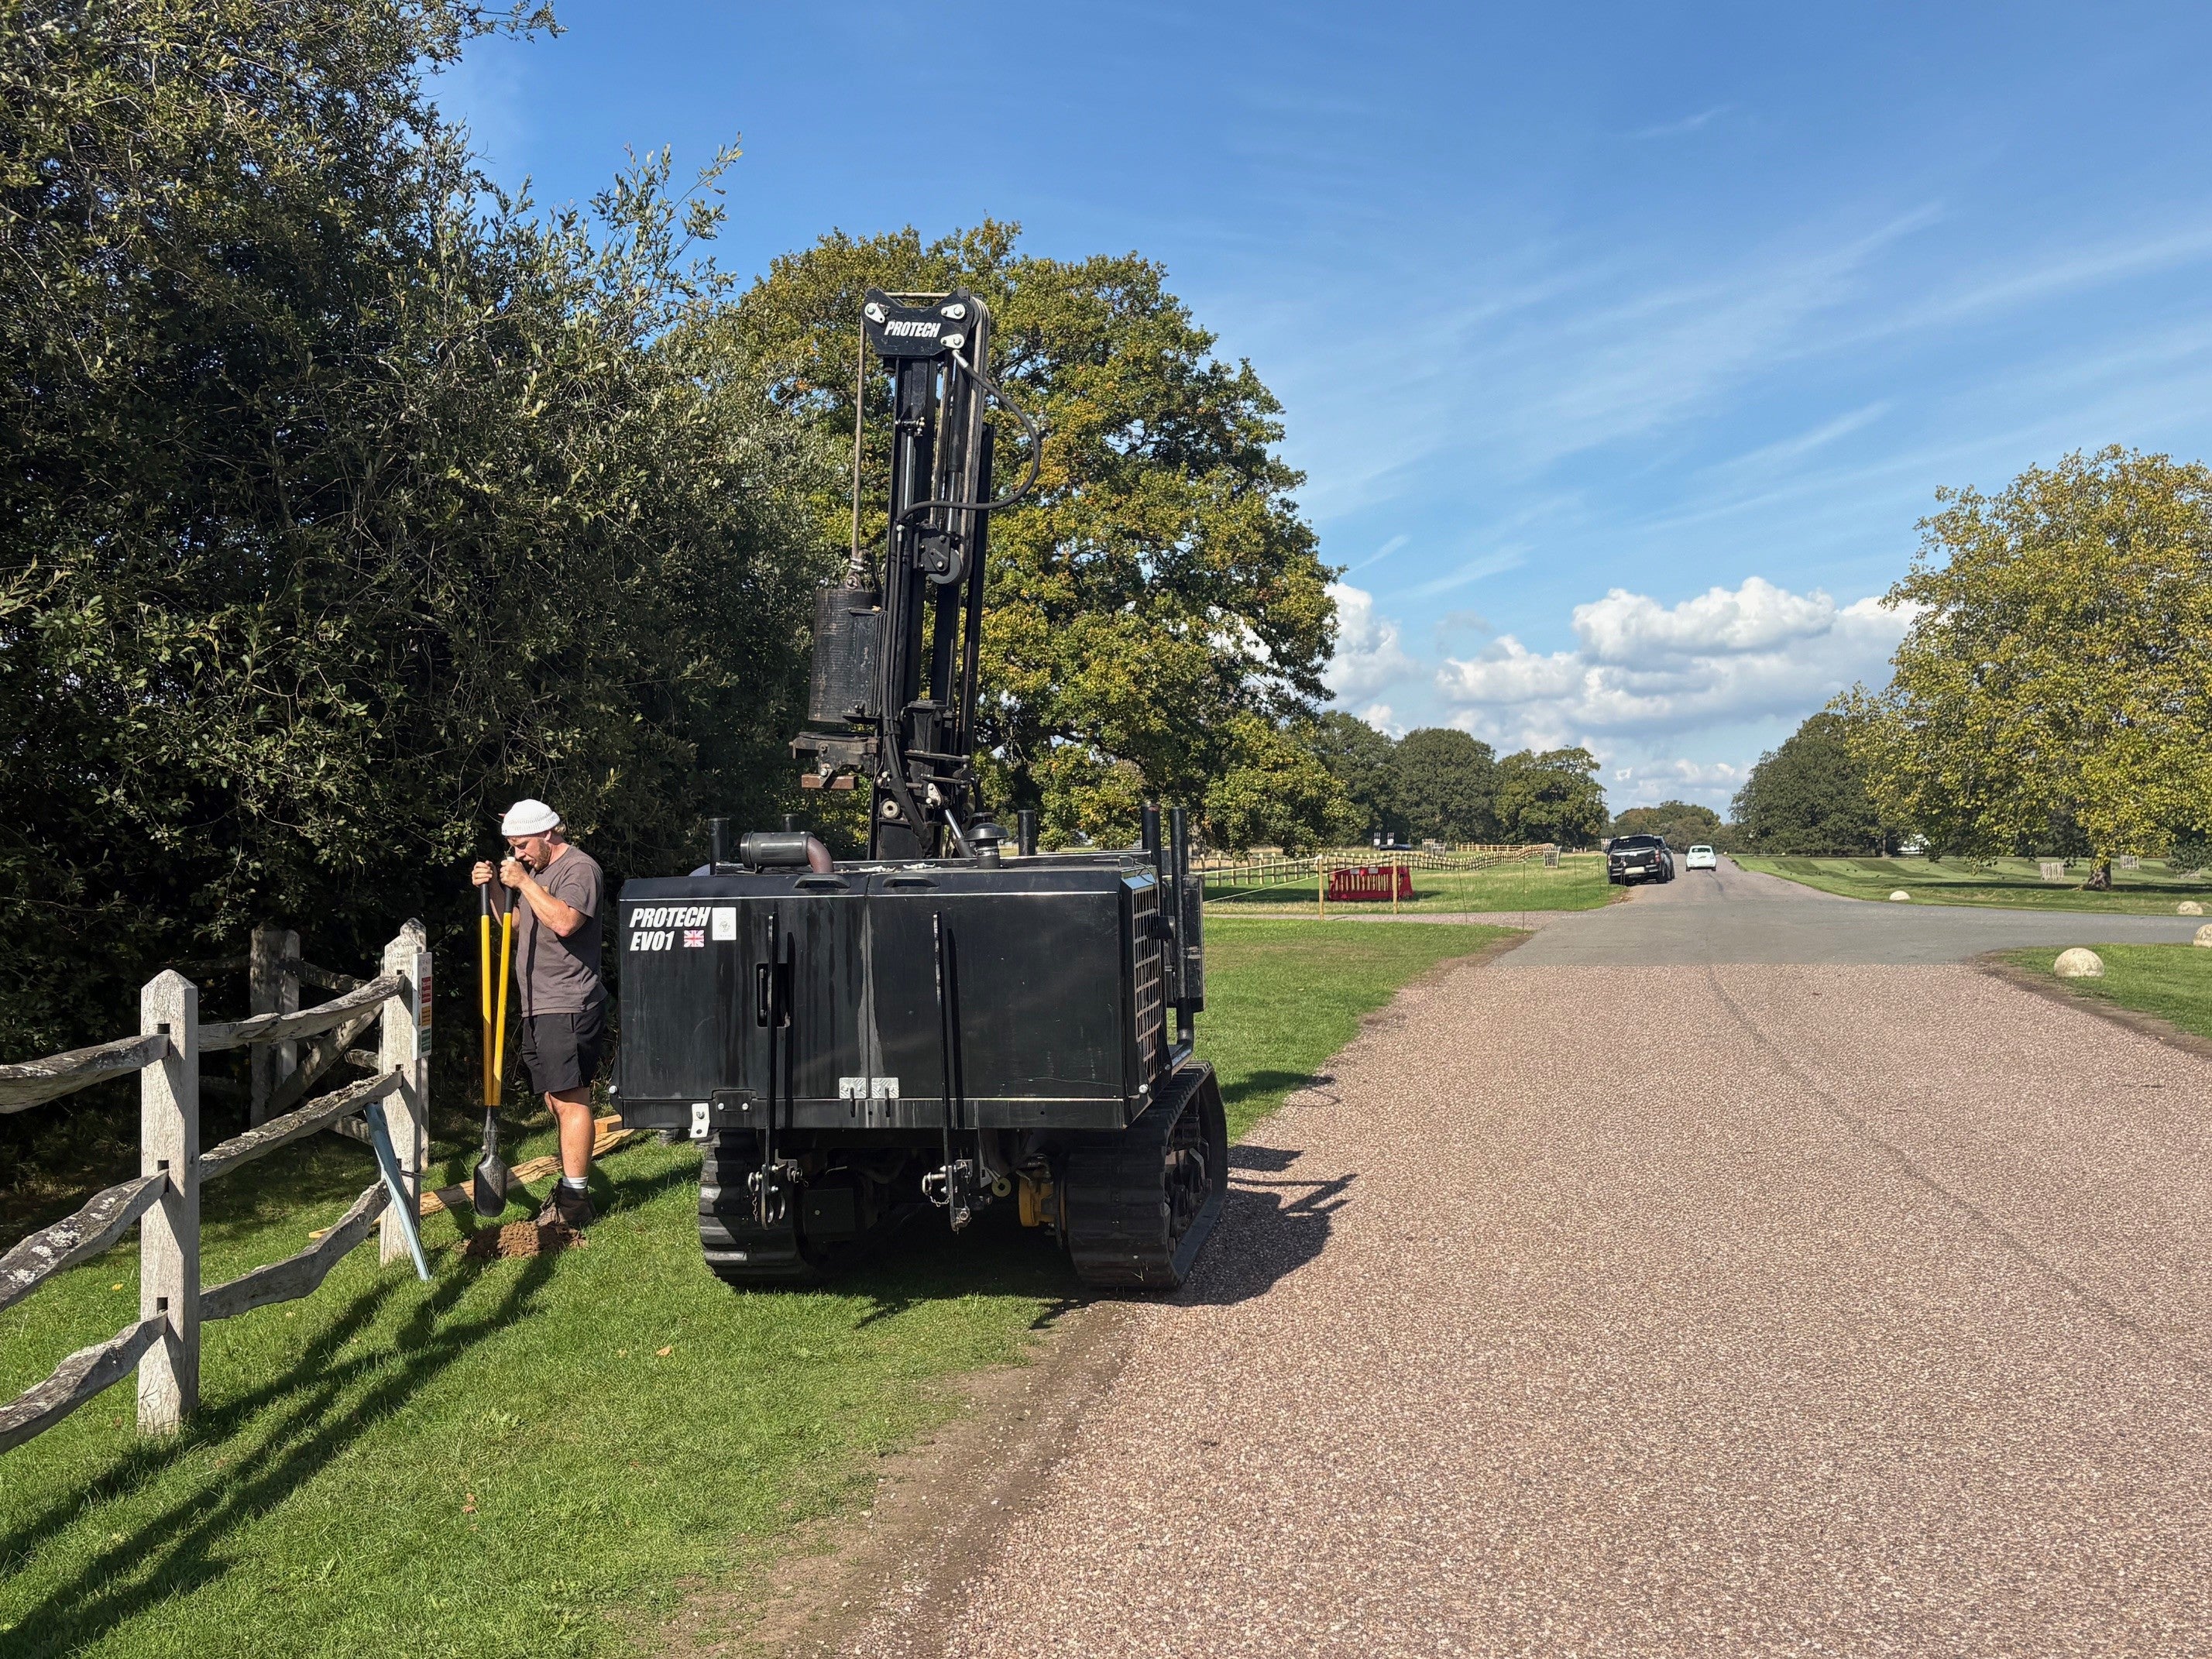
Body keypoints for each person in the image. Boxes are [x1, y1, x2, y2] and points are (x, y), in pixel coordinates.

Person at [473, 799, 606, 1229]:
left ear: (549, 833)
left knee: (571, 1099)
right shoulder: (533, 871)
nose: (518, 855)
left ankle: (573, 1201)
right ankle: (573, 1186)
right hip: (536, 1002)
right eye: (512, 847)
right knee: (554, 1097)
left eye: (524, 845)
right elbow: (509, 922)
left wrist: (524, 882)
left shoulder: (578, 869)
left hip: (569, 1000)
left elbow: (565, 922)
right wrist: (494, 888)